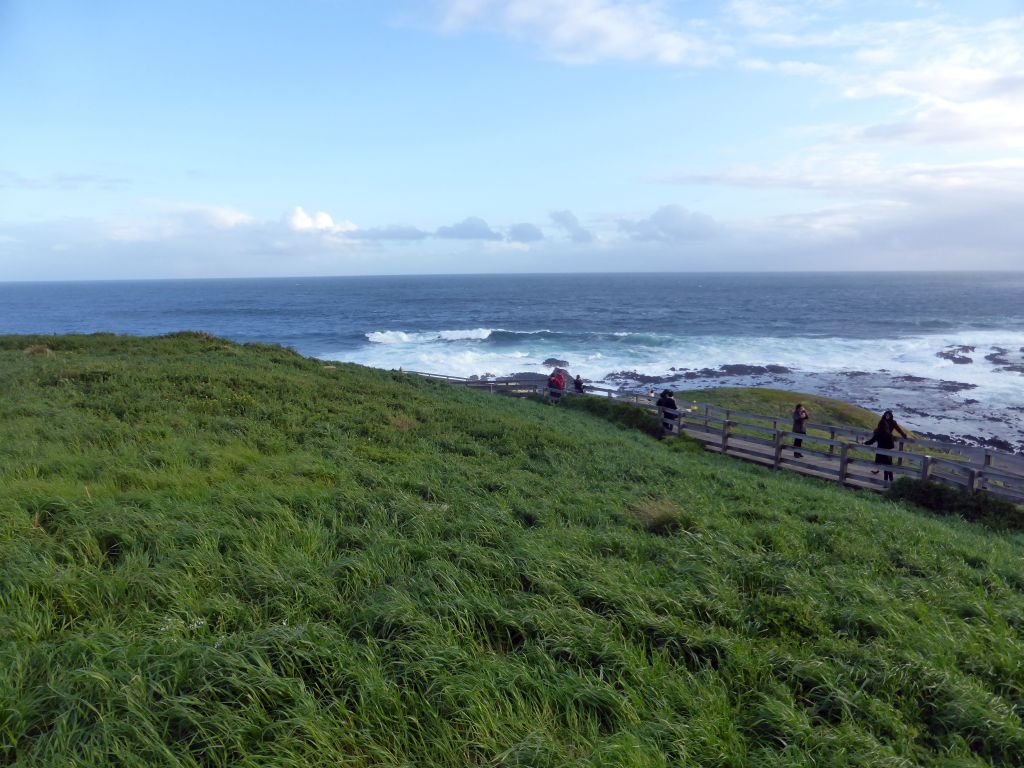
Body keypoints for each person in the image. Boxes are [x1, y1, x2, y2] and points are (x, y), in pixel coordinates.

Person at [864, 410, 908, 483]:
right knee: (887, 464)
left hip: (884, 444)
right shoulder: (883, 428)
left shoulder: (889, 424)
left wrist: (903, 435)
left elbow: (898, 429)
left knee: (886, 464)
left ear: (890, 416)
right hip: (884, 444)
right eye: (886, 415)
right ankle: (888, 481)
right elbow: (877, 438)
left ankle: (887, 481)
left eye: (888, 415)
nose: (887, 416)